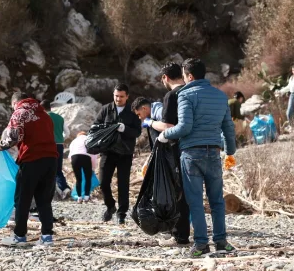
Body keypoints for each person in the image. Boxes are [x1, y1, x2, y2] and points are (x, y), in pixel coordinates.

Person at [160, 59, 237, 256]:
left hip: (191, 155)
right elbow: (228, 127)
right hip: (214, 153)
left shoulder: (186, 95)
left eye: (184, 75)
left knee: (195, 201)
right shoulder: (220, 96)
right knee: (217, 201)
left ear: (190, 76)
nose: (184, 79)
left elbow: (184, 127)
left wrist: (165, 135)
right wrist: (230, 151)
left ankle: (201, 244)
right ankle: (221, 241)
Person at [0, 93, 59, 247]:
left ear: (15, 102)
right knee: (44, 200)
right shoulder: (44, 115)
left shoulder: (19, 113)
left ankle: (19, 235)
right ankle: (46, 236)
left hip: (32, 159)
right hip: (51, 159)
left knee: (22, 199)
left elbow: (13, 137)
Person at [146, 63, 191, 246]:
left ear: (165, 77)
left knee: (176, 192)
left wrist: (150, 123)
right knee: (189, 193)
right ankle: (187, 231)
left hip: (175, 150)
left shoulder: (171, 95)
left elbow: (168, 127)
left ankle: (179, 235)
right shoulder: (191, 92)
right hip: (194, 147)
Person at [94, 84, 141, 224]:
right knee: (103, 183)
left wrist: (124, 129)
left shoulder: (133, 111)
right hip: (107, 151)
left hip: (125, 153)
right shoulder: (106, 109)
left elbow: (137, 132)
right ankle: (110, 206)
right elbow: (95, 126)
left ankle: (122, 213)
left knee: (123, 184)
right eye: (116, 96)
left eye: (121, 96)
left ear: (127, 96)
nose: (118, 99)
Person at [42, 100, 71, 200]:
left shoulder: (43, 117)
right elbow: (67, 132)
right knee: (58, 169)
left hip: (48, 145)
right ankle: (64, 188)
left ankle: (50, 191)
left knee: (46, 168)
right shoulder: (59, 118)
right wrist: (61, 138)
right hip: (59, 145)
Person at [69, 131, 98, 203]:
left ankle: (79, 198)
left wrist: (72, 163)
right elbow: (93, 155)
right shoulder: (88, 139)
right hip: (86, 157)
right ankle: (86, 197)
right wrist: (93, 168)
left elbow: (70, 154)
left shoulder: (74, 141)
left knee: (78, 179)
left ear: (78, 136)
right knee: (88, 178)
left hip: (74, 157)